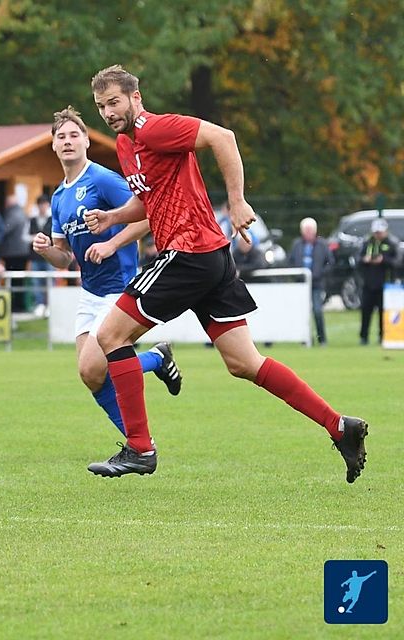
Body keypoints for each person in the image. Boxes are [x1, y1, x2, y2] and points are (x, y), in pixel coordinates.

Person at [84, 64, 366, 481]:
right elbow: (150, 199)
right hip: (211, 258)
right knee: (244, 362)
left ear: (135, 97)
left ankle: (140, 449)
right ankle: (340, 426)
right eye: (101, 106)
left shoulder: (154, 128)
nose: (108, 112)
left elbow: (222, 137)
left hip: (187, 253)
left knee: (110, 337)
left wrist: (236, 201)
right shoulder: (127, 144)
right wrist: (113, 218)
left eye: (114, 102)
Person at [33, 105, 182, 442]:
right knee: (91, 376)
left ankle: (154, 363)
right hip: (90, 293)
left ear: (86, 141)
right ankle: (138, 442)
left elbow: (147, 217)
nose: (68, 141)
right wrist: (46, 251)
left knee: (93, 366)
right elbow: (64, 258)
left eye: (74, 135)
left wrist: (113, 243)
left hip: (120, 288)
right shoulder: (59, 197)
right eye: (61, 136)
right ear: (53, 145)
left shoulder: (102, 179)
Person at [287, 217, 332, 345]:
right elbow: (290, 261)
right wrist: (296, 275)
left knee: (317, 311)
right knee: (302, 313)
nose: (308, 233)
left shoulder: (322, 245)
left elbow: (330, 263)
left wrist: (319, 274)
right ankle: (304, 338)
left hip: (316, 284)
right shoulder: (296, 245)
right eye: (306, 230)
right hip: (301, 285)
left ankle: (322, 338)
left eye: (310, 230)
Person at [358, 217, 398, 345]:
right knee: (365, 311)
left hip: (384, 285)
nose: (378, 235)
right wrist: (365, 260)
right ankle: (364, 337)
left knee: (383, 312)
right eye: (376, 232)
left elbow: (397, 262)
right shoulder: (367, 243)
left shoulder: (391, 243)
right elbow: (357, 259)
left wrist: (383, 260)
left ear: (385, 231)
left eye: (380, 232)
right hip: (368, 283)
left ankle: (383, 336)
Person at [0, 194, 31, 312]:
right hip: (22, 251)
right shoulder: (22, 213)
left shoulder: (12, 214)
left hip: (13, 252)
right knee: (19, 280)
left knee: (14, 280)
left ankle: (16, 306)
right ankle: (19, 305)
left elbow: (4, 229)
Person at [27, 195, 53, 316]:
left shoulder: (53, 219)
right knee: (36, 281)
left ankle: (49, 305)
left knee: (49, 281)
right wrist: (35, 238)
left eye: (44, 204)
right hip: (35, 256)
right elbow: (24, 236)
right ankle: (39, 304)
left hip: (50, 256)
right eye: (40, 204)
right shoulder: (32, 220)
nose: (42, 207)